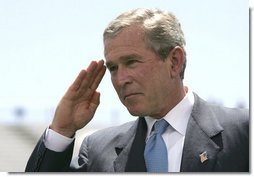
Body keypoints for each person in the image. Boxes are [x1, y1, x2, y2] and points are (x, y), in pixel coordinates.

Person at [25, 8, 249, 172]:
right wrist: (61, 130)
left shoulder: (244, 132)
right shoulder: (97, 151)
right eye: (113, 68)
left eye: (132, 62)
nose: (120, 79)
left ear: (174, 61)